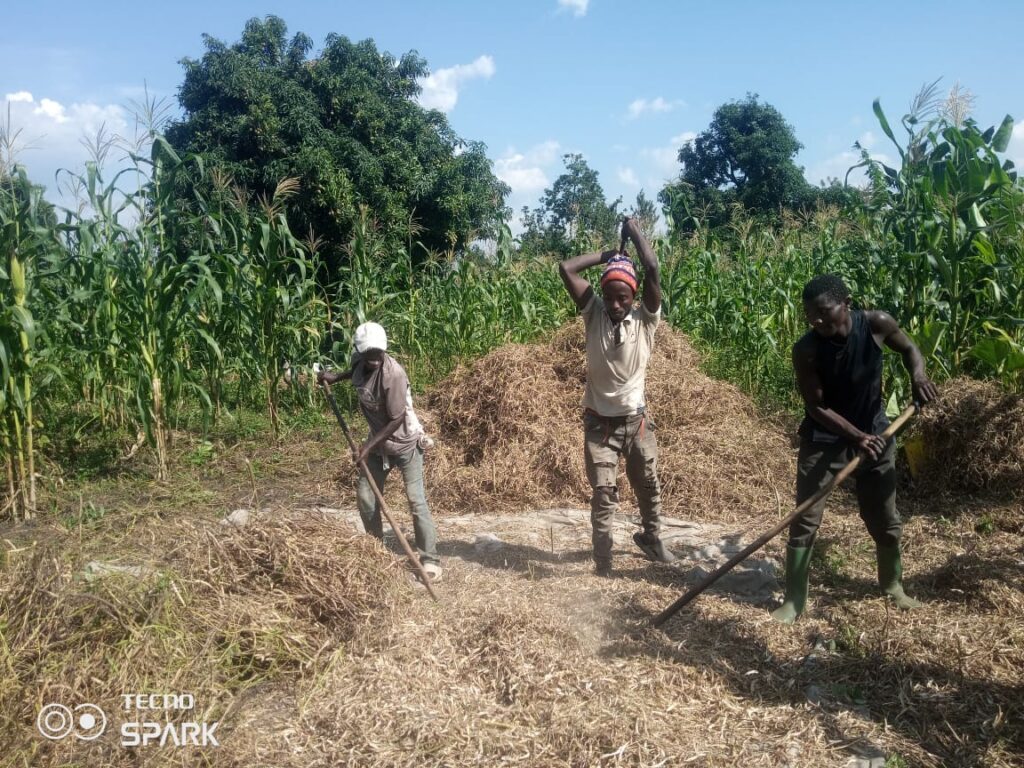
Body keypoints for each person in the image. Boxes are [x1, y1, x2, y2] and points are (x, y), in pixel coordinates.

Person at [772, 274, 938, 623]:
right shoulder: (807, 350)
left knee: (883, 516)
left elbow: (909, 349)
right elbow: (816, 408)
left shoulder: (876, 323)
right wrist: (855, 437)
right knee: (805, 517)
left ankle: (892, 585)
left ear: (846, 302)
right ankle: (793, 601)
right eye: (810, 316)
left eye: (823, 312)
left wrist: (919, 375)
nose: (817, 321)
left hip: (877, 434)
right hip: (826, 440)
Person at [558, 217, 676, 576]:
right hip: (599, 425)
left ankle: (652, 539)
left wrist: (632, 229)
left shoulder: (645, 320)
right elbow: (566, 268)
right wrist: (606, 254)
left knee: (648, 486)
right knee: (604, 495)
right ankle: (604, 562)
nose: (614, 303)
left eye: (621, 297)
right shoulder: (593, 313)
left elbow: (652, 266)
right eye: (609, 296)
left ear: (634, 297)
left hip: (636, 423)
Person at [318, 322, 442, 583]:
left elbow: (396, 420)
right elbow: (355, 372)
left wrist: (367, 447)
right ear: (359, 351)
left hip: (406, 443)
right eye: (368, 353)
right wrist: (335, 378)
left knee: (415, 501)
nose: (374, 358)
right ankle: (375, 550)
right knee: (365, 496)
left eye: (378, 353)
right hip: (377, 445)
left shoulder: (393, 375)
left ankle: (429, 559)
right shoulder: (359, 361)